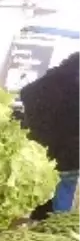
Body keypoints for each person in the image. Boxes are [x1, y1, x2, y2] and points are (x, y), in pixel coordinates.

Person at [20, 53, 80, 216]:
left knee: (44, 193)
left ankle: (41, 222)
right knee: (60, 198)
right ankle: (50, 224)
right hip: (67, 153)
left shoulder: (51, 79)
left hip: (44, 151)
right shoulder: (70, 85)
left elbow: (25, 93)